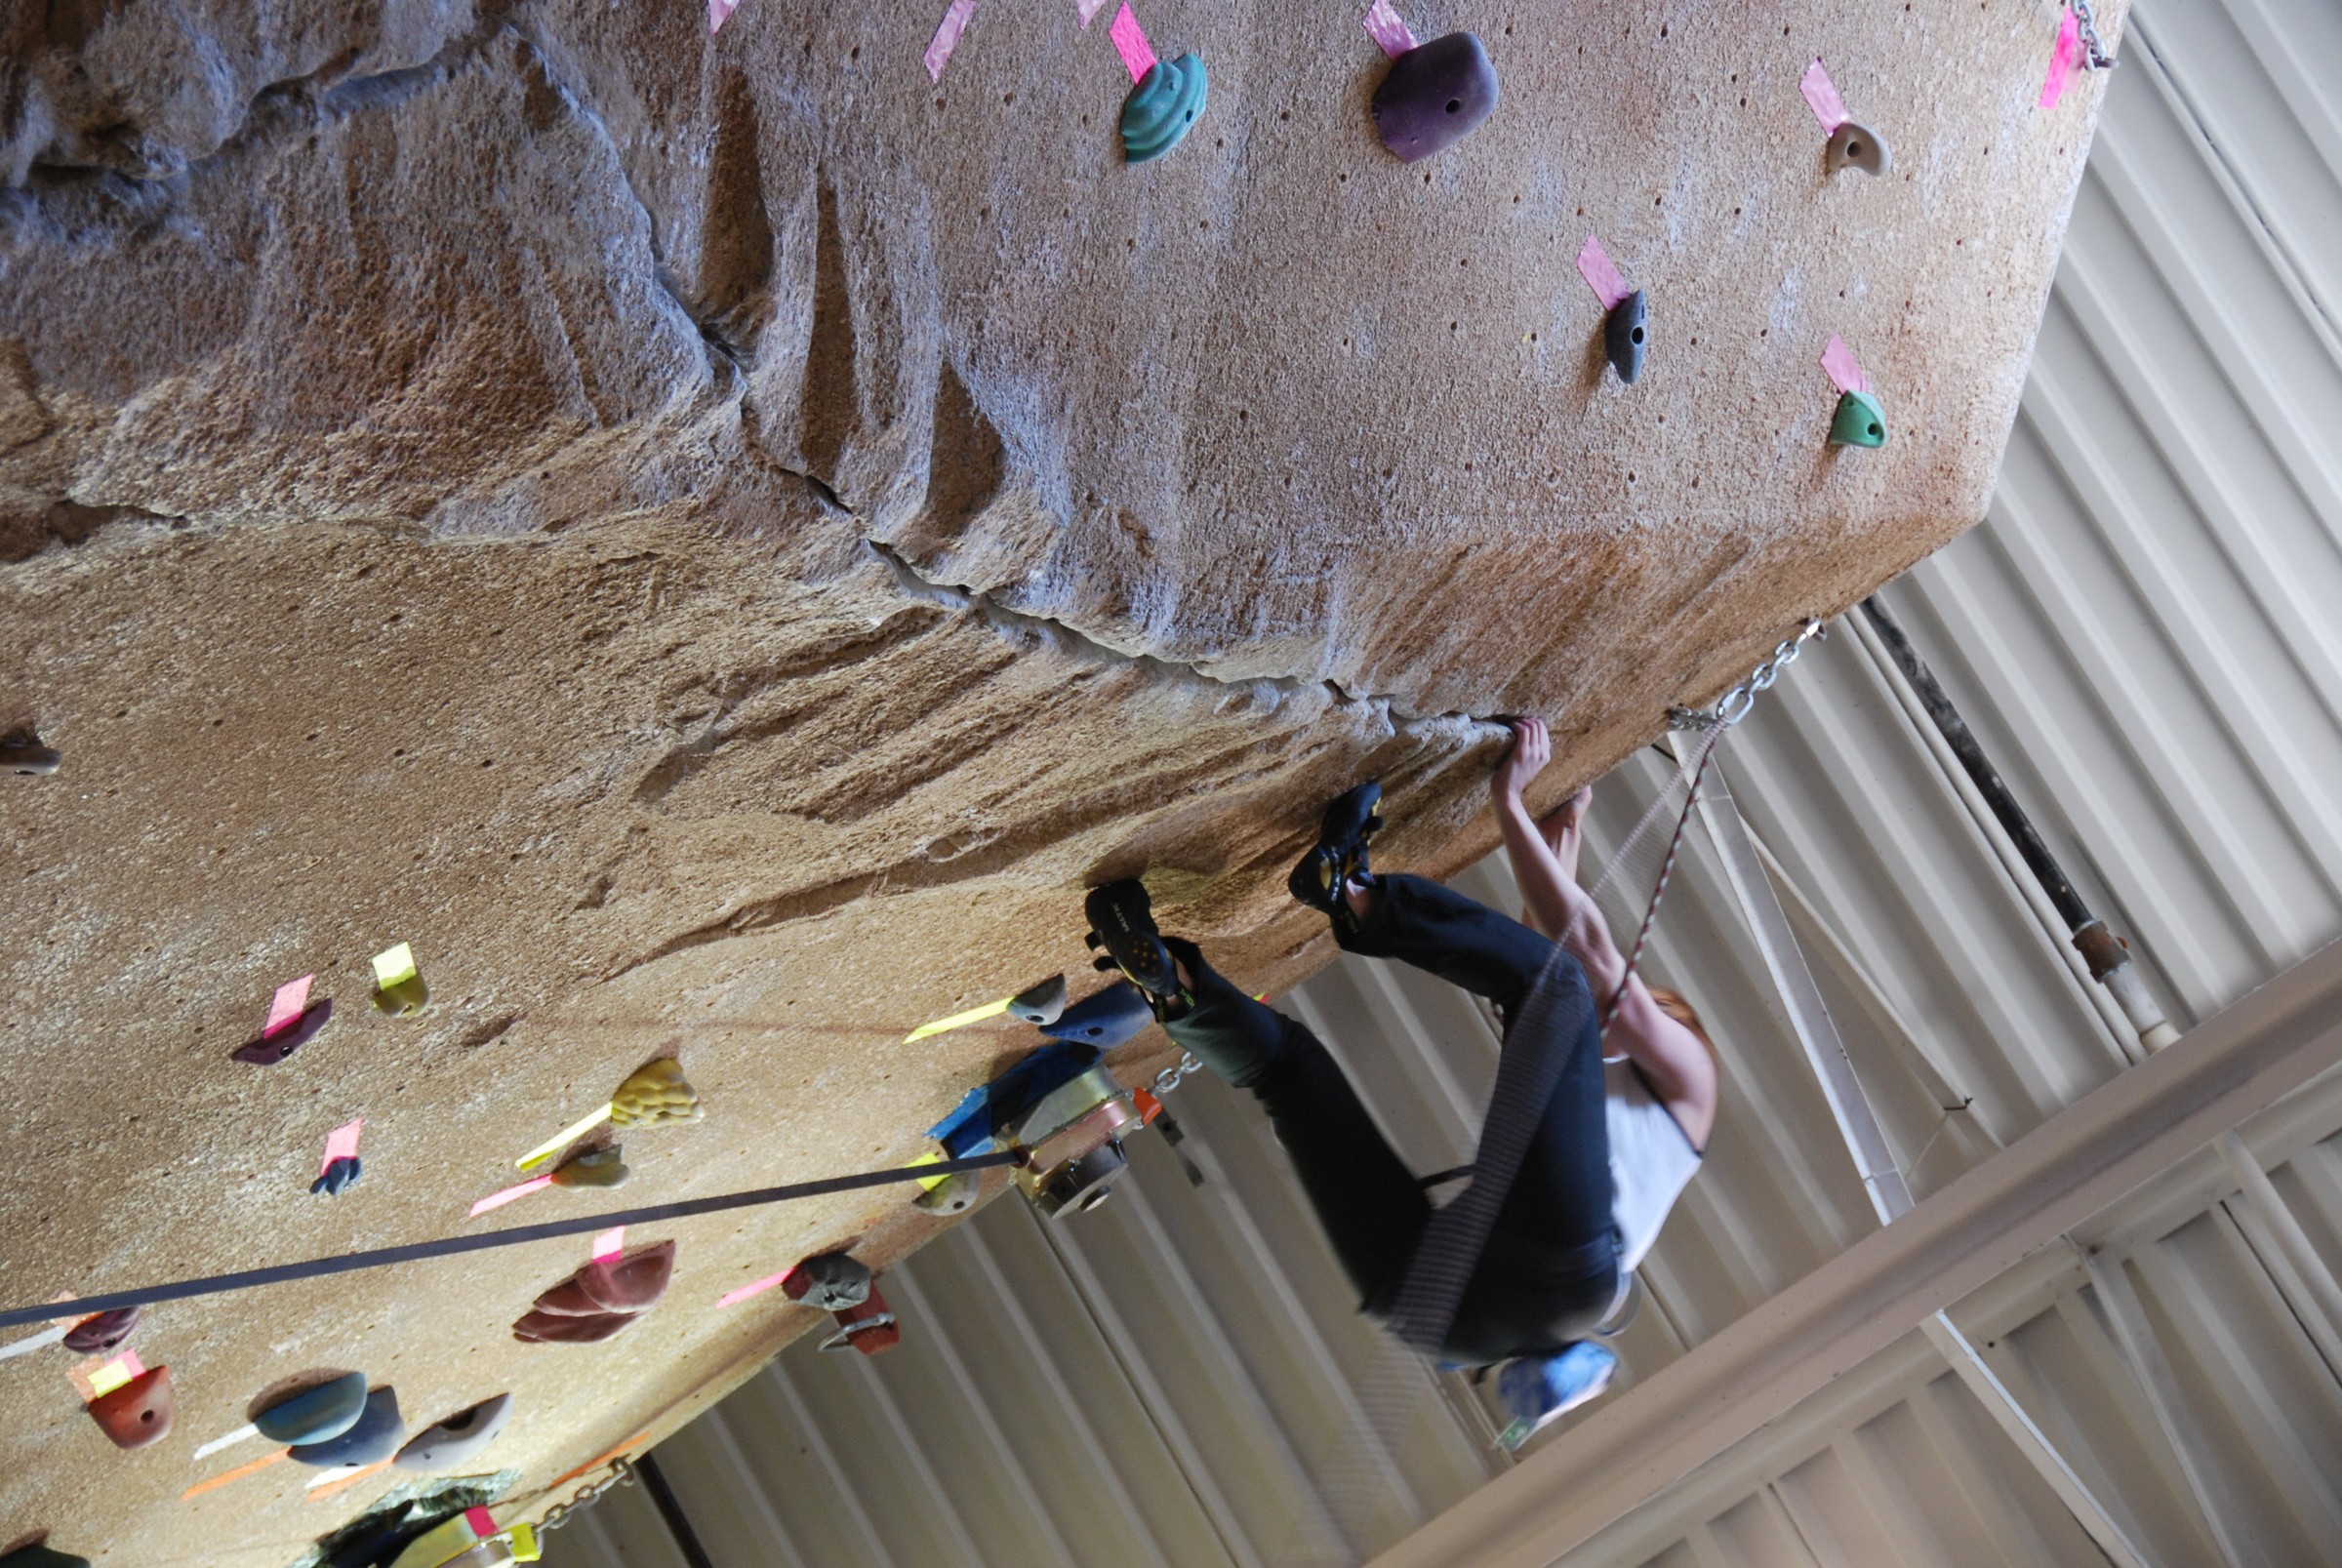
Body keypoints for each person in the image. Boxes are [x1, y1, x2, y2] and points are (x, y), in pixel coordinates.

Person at [1081, 717, 1718, 1446]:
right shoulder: (1596, 1099)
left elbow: (1583, 966)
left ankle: (1351, 886)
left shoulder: (1695, 1077)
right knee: (1288, 1073)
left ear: (1679, 1025)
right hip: (1456, 1321)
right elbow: (1544, 947)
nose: (1609, 1027)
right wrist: (1560, 828)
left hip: (1559, 1283)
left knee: (1559, 987)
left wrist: (1510, 802)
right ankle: (1171, 982)